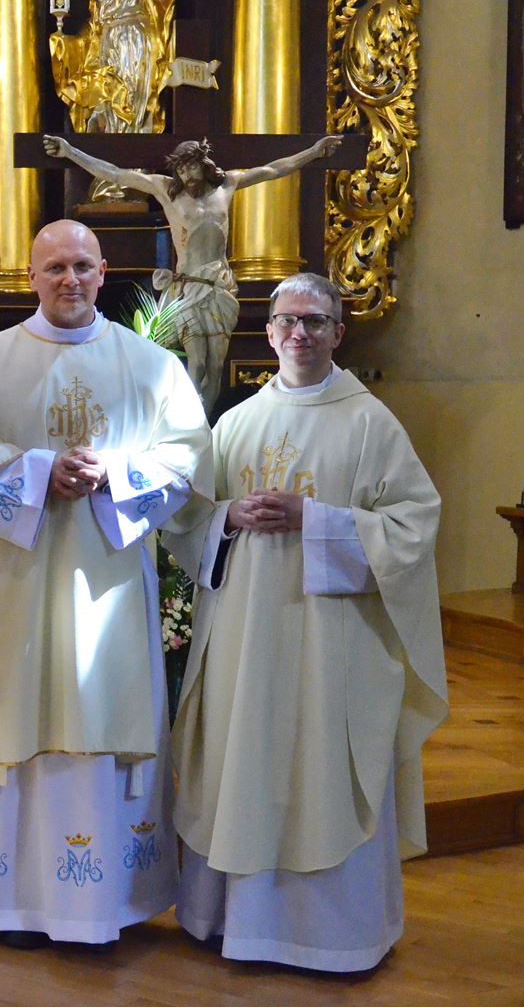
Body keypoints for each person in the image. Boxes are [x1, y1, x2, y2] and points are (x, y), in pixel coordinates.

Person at [163, 273, 448, 972]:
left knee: (318, 762)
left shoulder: (368, 422)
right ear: (267, 333)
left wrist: (314, 521)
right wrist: (229, 516)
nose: (300, 333)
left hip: (331, 644)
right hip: (242, 639)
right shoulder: (234, 424)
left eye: (316, 321)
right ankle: (229, 921)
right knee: (244, 754)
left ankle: (332, 937)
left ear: (336, 333)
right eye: (288, 320)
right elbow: (187, 521)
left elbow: (413, 525)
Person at [0, 219, 211, 949]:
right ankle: (12, 903)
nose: (69, 279)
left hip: (109, 587)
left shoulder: (149, 366)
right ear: (31, 275)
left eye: (82, 267)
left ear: (102, 274)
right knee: (17, 714)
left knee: (100, 713)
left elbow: (187, 457)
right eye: (55, 266)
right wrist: (36, 471)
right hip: (16, 589)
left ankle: (104, 905)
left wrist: (114, 475)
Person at [43, 133, 342, 412]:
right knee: (196, 364)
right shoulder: (165, 189)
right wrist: (71, 152)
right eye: (181, 171)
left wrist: (313, 152)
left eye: (190, 169)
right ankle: (186, 423)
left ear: (203, 164)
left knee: (215, 367)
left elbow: (273, 169)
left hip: (218, 289)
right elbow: (115, 174)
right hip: (186, 291)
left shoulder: (228, 186)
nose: (186, 177)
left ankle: (205, 428)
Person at [50, 0, 175, 142]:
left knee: (131, 101)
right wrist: (69, 43)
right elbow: (93, 30)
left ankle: (134, 168)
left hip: (134, 40)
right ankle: (110, 169)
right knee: (105, 101)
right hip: (107, 44)